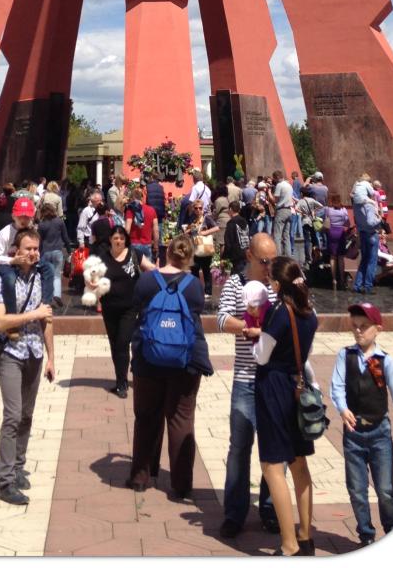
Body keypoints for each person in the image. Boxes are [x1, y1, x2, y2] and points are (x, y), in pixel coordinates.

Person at [127, 232, 213, 497]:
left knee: (146, 417)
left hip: (148, 357)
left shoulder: (146, 281)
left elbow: (136, 307)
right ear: (189, 257)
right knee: (181, 419)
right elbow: (197, 311)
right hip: (185, 359)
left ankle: (141, 476)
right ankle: (181, 484)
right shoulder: (194, 286)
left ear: (167, 253)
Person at [330, 301, 393, 546]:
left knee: (385, 489)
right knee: (357, 490)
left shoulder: (385, 361)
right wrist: (343, 408)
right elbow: (337, 386)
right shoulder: (345, 355)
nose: (358, 331)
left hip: (380, 433)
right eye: (355, 326)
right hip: (353, 435)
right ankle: (366, 534)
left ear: (378, 329)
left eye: (364, 326)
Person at [254, 255, 319, 556]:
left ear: (278, 284)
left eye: (270, 279)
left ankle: (289, 544)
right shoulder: (310, 312)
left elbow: (262, 356)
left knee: (272, 466)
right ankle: (305, 537)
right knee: (299, 462)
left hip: (274, 387)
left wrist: (256, 332)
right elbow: (303, 352)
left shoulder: (280, 311)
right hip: (297, 385)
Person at [216, 232, 280, 537]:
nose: (269, 267)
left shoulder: (278, 285)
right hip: (245, 379)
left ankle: (270, 509)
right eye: (265, 261)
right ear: (249, 256)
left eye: (274, 261)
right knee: (239, 447)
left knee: (273, 449)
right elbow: (221, 319)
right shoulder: (235, 284)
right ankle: (234, 513)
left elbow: (301, 313)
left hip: (274, 380)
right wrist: (249, 326)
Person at [0, 226, 55, 504]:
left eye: (36, 249)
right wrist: (33, 314)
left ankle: (18, 467)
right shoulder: (3, 279)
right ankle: (5, 481)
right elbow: (0, 321)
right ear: (16, 250)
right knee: (13, 415)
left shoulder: (41, 277)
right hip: (11, 353)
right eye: (28, 248)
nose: (33, 253)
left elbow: (47, 320)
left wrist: (52, 357)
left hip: (35, 353)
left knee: (27, 415)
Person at [95, 224, 150, 397]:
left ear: (125, 240)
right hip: (109, 308)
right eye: (115, 238)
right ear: (110, 240)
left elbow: (151, 268)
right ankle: (120, 379)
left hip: (130, 308)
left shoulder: (134, 254)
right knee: (114, 345)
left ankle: (123, 383)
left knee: (123, 343)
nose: (118, 241)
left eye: (121, 238)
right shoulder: (103, 257)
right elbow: (94, 280)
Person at [350, 174, 381, 294]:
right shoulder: (369, 205)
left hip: (362, 233)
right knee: (372, 262)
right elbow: (371, 222)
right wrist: (379, 219)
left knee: (364, 260)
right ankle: (368, 286)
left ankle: (357, 285)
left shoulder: (356, 205)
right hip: (371, 234)